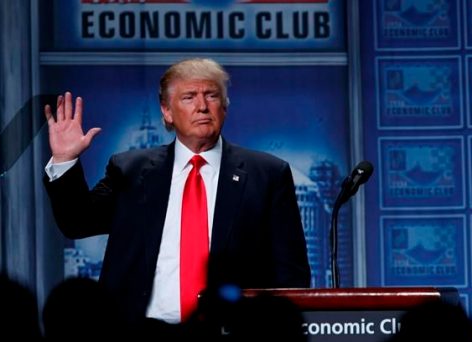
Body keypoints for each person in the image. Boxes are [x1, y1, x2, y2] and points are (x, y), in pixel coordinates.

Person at [43, 58, 311, 325]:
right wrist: (65, 160)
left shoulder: (267, 174)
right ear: (167, 111)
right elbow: (77, 222)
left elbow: (291, 274)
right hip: (142, 337)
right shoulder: (131, 170)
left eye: (212, 95)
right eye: (189, 97)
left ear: (225, 107)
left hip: (232, 337)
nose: (202, 106)